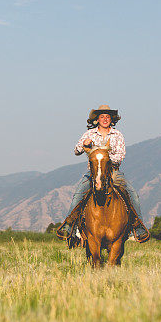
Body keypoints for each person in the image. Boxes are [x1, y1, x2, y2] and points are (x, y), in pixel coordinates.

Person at [56, 104, 149, 242]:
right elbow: (76, 151)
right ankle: (69, 225)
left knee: (132, 194)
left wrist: (104, 157)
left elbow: (120, 156)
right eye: (102, 116)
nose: (105, 119)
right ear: (97, 119)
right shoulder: (89, 134)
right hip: (93, 172)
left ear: (111, 119)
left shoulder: (117, 135)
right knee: (78, 194)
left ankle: (138, 227)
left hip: (113, 172)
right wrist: (84, 144)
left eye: (107, 116)